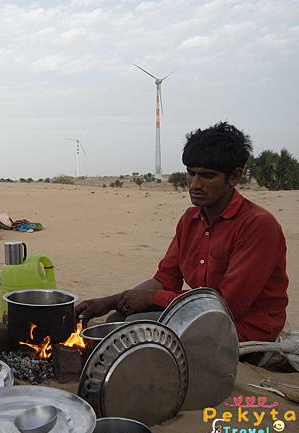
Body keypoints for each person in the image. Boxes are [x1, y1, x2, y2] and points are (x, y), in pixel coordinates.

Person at [76, 122, 289, 343]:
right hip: (198, 316)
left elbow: (225, 306)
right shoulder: (190, 220)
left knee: (131, 330)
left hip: (240, 329)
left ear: (234, 177)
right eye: (190, 173)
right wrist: (112, 301)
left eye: (207, 176)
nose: (194, 184)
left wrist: (153, 298)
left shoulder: (258, 225)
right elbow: (166, 278)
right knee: (118, 318)